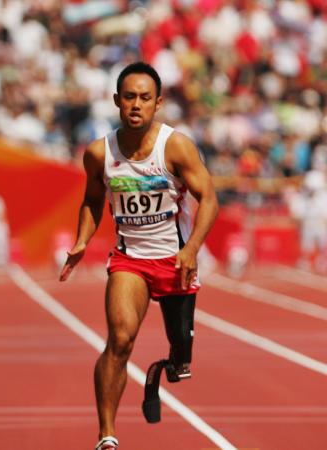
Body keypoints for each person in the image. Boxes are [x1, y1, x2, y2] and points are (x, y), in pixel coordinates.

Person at [59, 62, 218, 450]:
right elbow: (92, 202)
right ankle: (106, 435)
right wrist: (82, 240)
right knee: (120, 339)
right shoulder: (99, 153)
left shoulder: (175, 146)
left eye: (145, 98)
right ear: (116, 100)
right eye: (129, 97)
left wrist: (192, 248)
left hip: (176, 260)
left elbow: (209, 199)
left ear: (158, 103)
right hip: (130, 261)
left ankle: (165, 368)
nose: (136, 105)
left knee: (181, 361)